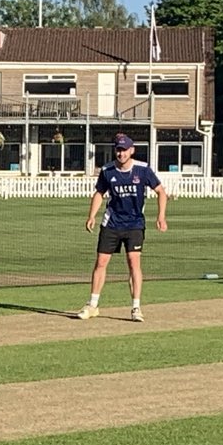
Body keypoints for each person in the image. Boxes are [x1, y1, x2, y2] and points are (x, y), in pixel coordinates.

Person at [74, 133, 169, 321]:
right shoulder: (108, 170)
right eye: (118, 149)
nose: (121, 153)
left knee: (134, 263)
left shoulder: (142, 170)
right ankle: (92, 305)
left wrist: (161, 216)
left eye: (124, 150)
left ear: (131, 150)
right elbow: (99, 193)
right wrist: (91, 216)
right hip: (112, 223)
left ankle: (136, 307)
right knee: (101, 262)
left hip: (134, 224)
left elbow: (161, 191)